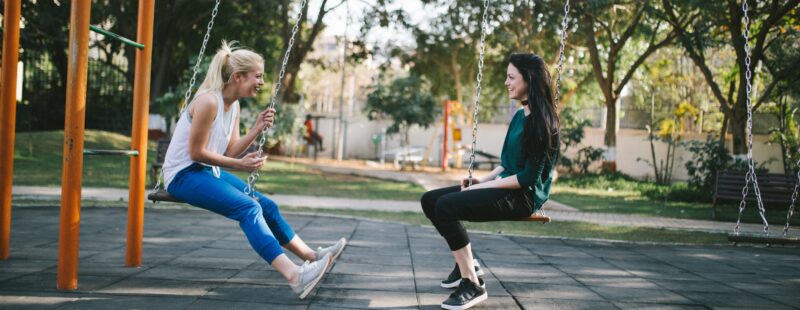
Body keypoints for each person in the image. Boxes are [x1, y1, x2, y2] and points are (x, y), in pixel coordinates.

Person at [161, 41, 346, 300]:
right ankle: (295, 275)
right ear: (238, 77)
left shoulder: (233, 106)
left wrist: (257, 128)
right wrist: (240, 165)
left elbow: (231, 150)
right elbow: (196, 153)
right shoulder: (207, 102)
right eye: (257, 76)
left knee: (266, 206)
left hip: (204, 172)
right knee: (248, 208)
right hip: (183, 174)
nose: (261, 81)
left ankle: (312, 256)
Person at [420, 53, 560, 310]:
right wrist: (481, 179)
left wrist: (483, 186)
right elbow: (507, 163)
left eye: (511, 77)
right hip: (508, 184)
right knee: (430, 200)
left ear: (528, 79)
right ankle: (468, 263)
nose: (506, 82)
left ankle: (472, 283)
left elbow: (527, 178)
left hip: (525, 195)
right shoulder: (520, 116)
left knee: (447, 207)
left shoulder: (542, 122)